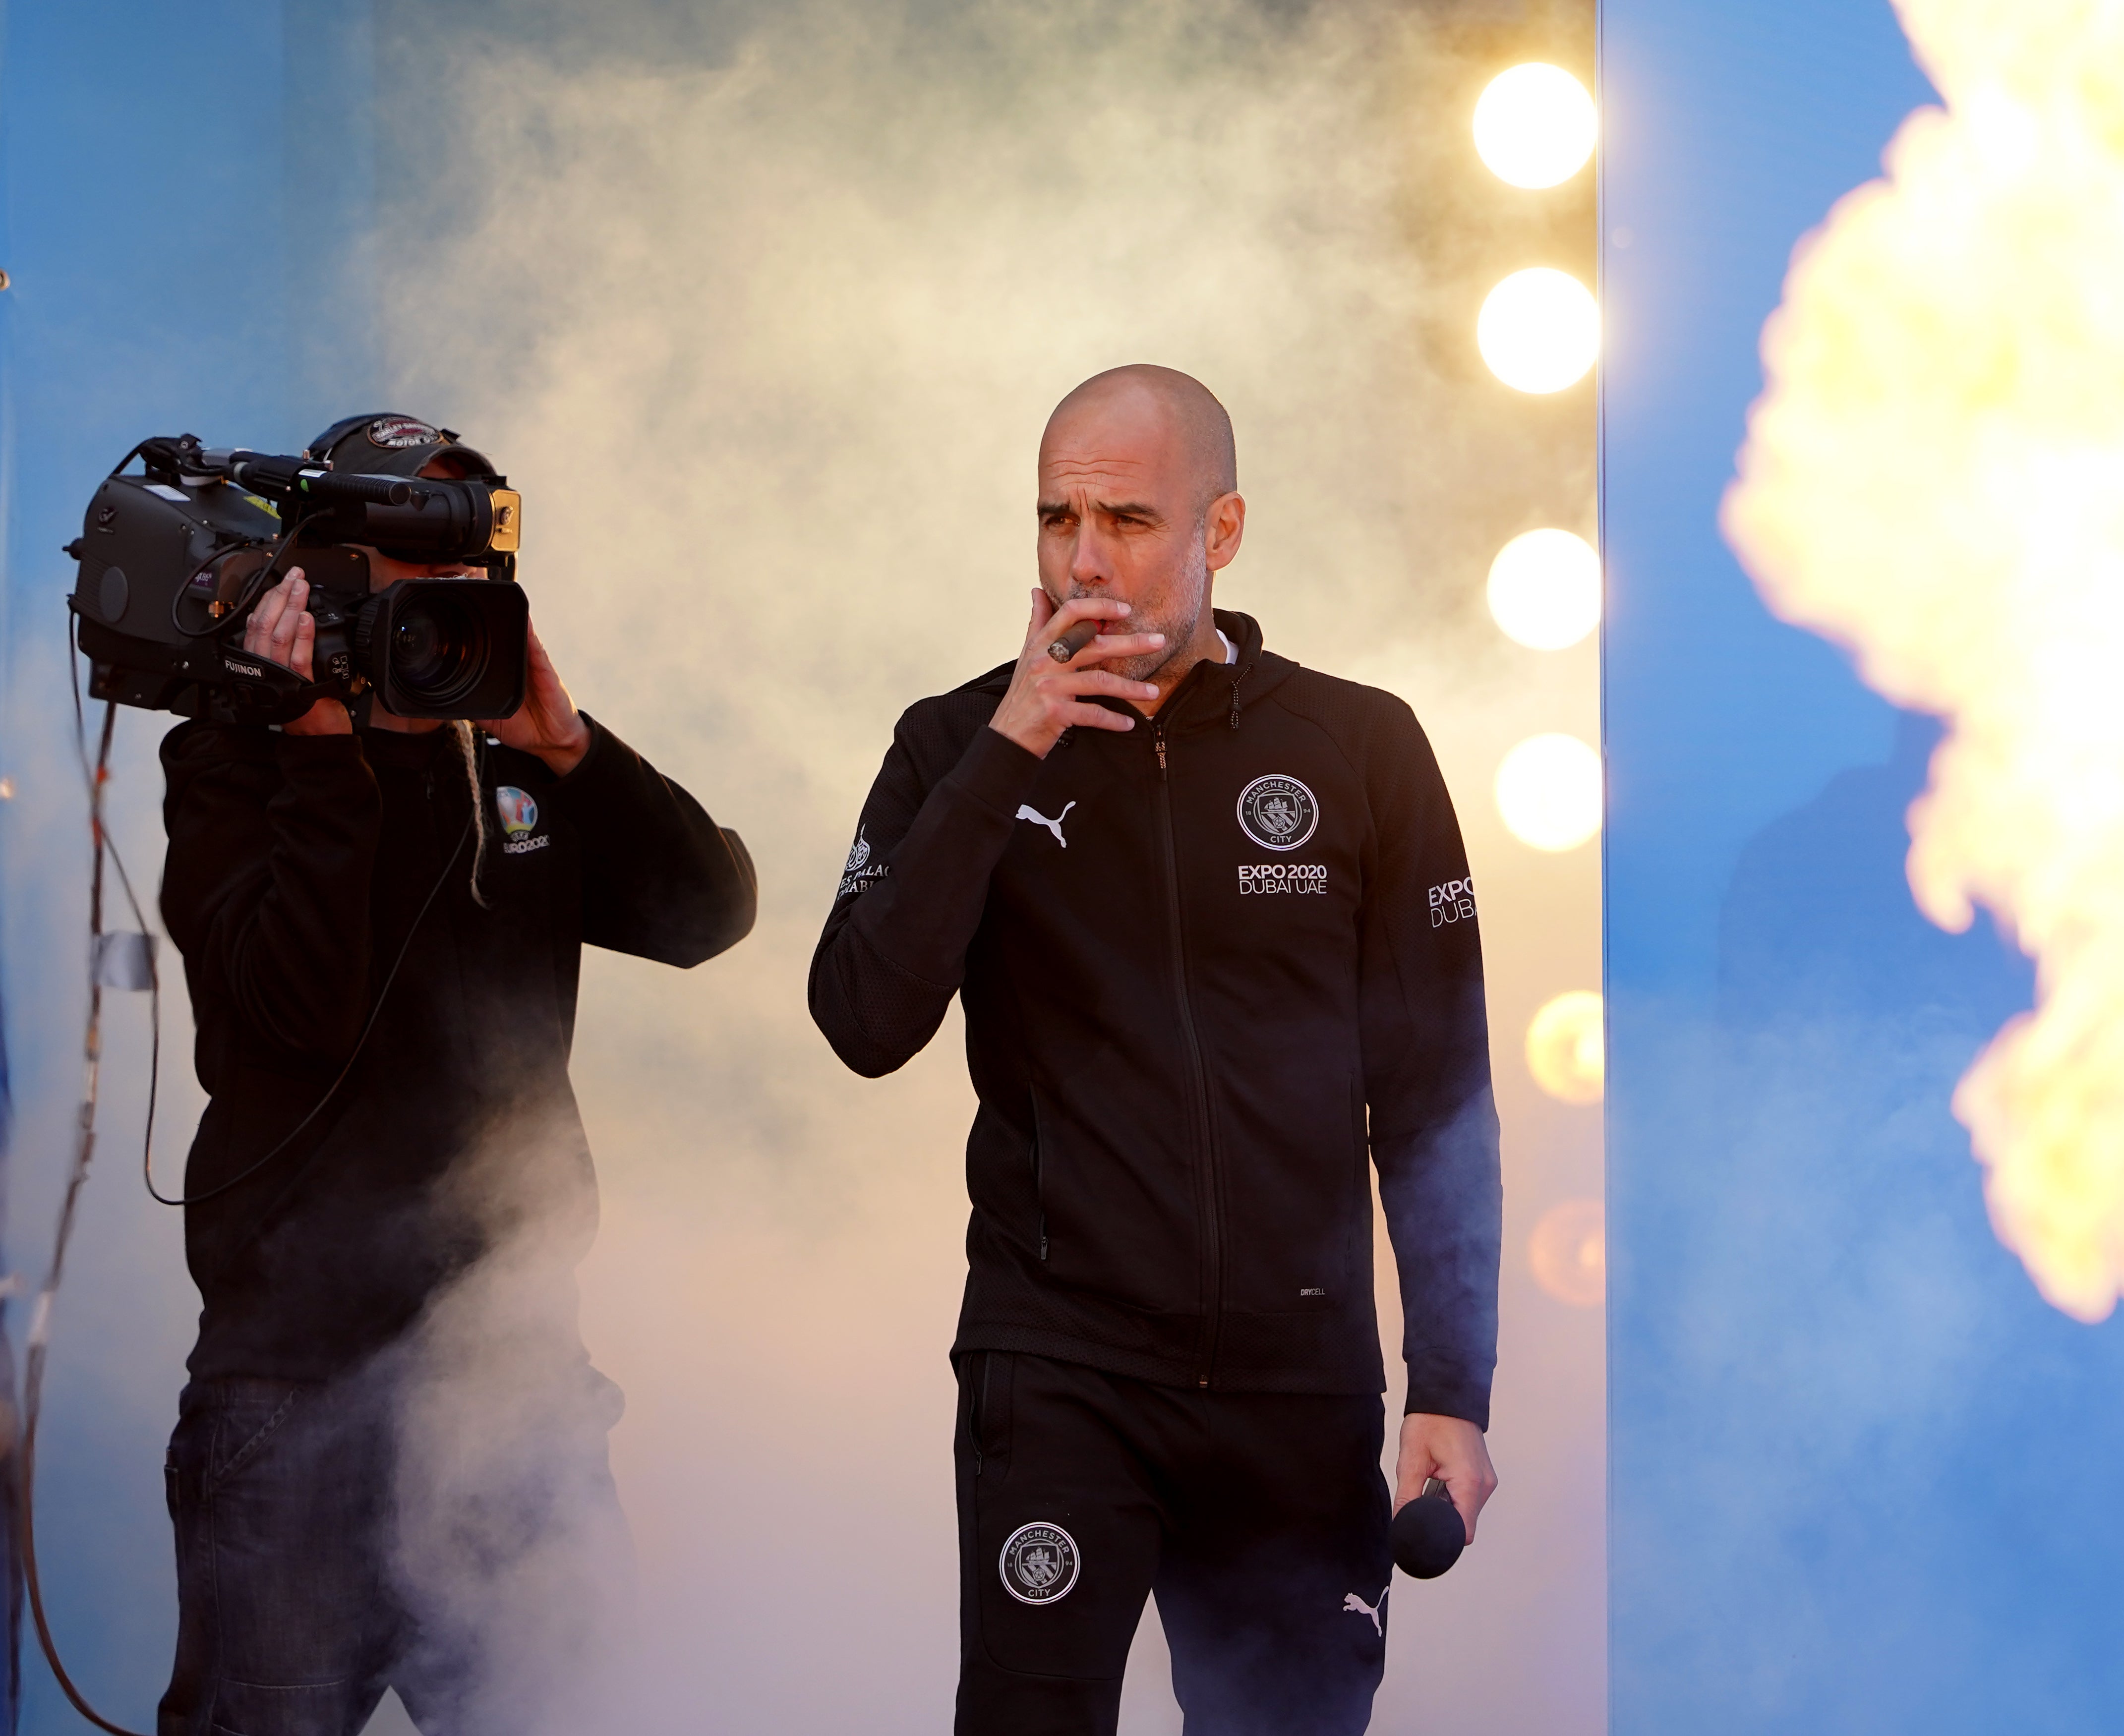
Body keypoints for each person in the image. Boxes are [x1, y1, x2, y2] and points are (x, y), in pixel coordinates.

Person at [809, 365, 1501, 1735]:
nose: (1083, 561)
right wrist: (1011, 750)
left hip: (1296, 1381)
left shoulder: (1359, 746)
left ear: (1220, 531)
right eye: (1055, 522)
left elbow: (1434, 1101)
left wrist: (1451, 1390)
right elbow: (862, 1022)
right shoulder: (952, 744)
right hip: (1060, 1368)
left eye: (1125, 520)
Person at [155, 413, 758, 1736]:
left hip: (515, 1396)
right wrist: (319, 748)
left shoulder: (513, 759)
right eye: (409, 572)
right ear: (319, 583)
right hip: (294, 1398)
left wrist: (568, 746)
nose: (446, 610)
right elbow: (290, 1016)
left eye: (468, 575)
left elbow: (707, 913)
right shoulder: (229, 759)